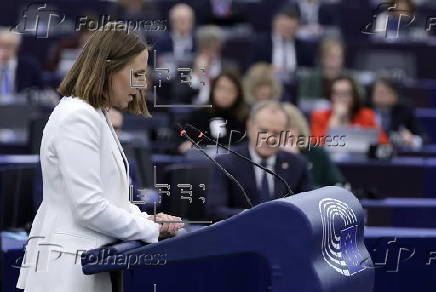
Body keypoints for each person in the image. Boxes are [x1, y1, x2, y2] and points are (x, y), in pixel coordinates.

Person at [16, 22, 183, 292]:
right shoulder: (77, 117)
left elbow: (109, 197)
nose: (141, 84)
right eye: (137, 74)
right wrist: (151, 231)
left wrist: (144, 220)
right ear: (109, 68)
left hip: (88, 263)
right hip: (69, 271)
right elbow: (89, 207)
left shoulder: (94, 114)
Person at [206, 100, 312, 221]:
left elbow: (307, 209)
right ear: (249, 126)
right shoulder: (225, 164)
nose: (269, 138)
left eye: (276, 133)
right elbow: (214, 211)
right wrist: (256, 217)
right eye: (263, 131)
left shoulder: (297, 164)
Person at [178, 70, 248, 153]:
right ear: (213, 90)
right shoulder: (200, 115)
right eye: (221, 88)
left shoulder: (245, 119)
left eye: (230, 90)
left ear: (238, 93)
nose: (225, 94)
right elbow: (182, 142)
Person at [281, 103, 346, 187]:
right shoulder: (268, 158)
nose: (286, 134)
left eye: (290, 127)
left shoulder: (316, 153)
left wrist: (296, 158)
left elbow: (338, 184)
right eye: (280, 129)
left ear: (299, 129)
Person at [311, 76, 389, 145]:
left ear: (354, 96)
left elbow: (383, 142)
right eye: (336, 93)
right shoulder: (319, 116)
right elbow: (318, 146)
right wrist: (336, 117)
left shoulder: (366, 115)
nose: (341, 98)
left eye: (346, 93)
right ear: (331, 96)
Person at [370, 77, 423, 147]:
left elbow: (422, 137)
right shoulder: (364, 110)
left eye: (387, 92)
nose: (383, 96)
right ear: (372, 95)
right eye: (380, 92)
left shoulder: (404, 111)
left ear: (395, 95)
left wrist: (412, 139)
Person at [0, 28, 43, 94]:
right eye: (1, 46)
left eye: (8, 46)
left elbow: (41, 90)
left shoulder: (29, 66)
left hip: (21, 104)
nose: (4, 50)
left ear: (17, 47)